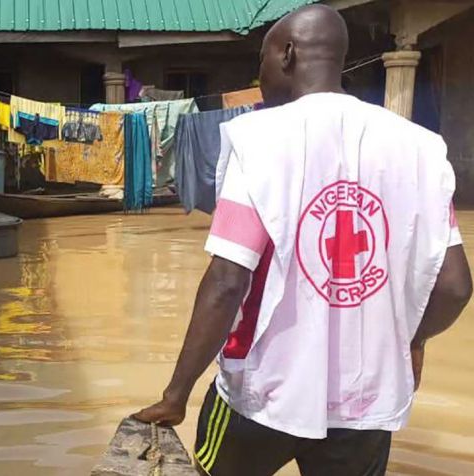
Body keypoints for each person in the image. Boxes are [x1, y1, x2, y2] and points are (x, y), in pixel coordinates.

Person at [135, 4, 472, 476]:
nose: (260, 77)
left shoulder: (259, 140)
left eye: (262, 63)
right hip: (366, 403)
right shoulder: (420, 148)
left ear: (287, 54)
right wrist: (410, 343)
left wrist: (176, 394)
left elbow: (228, 280)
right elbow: (455, 286)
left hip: (260, 394)